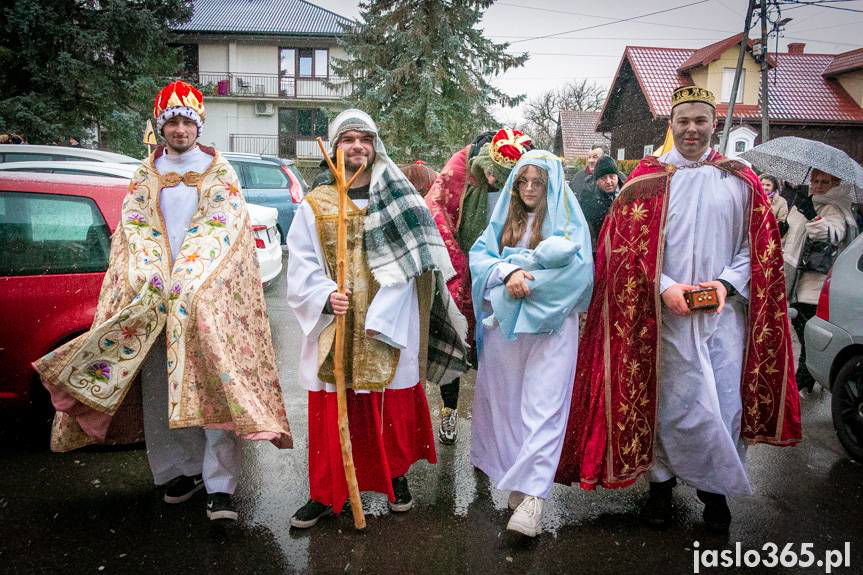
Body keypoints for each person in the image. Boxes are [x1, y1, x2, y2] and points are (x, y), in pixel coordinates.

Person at [33, 81, 292, 522]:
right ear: (161, 126)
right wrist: (150, 276)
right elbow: (133, 229)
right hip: (153, 303)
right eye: (170, 121)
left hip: (202, 304)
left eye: (186, 121)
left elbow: (222, 230)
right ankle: (179, 471)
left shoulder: (219, 172)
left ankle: (221, 485)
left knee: (212, 387)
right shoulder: (144, 174)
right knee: (160, 389)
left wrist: (190, 281)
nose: (178, 129)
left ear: (198, 125)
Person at [556, 86, 801, 532]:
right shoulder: (645, 181)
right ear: (671, 124)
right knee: (665, 406)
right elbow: (623, 252)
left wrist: (726, 284)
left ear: (714, 124)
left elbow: (759, 247)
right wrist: (664, 287)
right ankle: (659, 495)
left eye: (700, 121)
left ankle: (715, 499)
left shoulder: (739, 179)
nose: (691, 129)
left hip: (723, 320)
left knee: (720, 405)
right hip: (661, 320)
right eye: (683, 120)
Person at [286, 109, 469, 529]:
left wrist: (383, 313)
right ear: (334, 148)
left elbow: (414, 263)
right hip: (335, 320)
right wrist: (323, 295)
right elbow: (301, 262)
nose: (357, 146)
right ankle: (325, 491)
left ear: (375, 146)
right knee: (336, 406)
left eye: (364, 139)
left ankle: (394, 476)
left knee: (388, 402)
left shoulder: (402, 199)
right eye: (348, 139)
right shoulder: (316, 205)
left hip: (388, 319)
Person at [468, 150, 593, 537]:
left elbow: (581, 273)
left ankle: (535, 496)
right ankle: (519, 481)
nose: (529, 189)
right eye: (522, 181)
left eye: (538, 182)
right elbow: (480, 257)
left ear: (552, 183)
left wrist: (529, 286)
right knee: (507, 404)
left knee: (545, 405)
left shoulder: (569, 222)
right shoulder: (503, 218)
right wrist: (508, 272)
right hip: (507, 331)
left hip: (552, 330)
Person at [424, 129, 532, 445]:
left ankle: (489, 423)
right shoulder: (460, 166)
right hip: (461, 268)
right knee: (455, 342)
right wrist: (456, 267)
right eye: (488, 172)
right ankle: (448, 412)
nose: (491, 179)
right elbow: (437, 211)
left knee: (493, 352)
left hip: (501, 274)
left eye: (501, 178)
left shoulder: (524, 181)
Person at [783, 168, 858, 395]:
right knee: (804, 333)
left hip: (815, 284)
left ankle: (803, 380)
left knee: (809, 337)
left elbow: (831, 233)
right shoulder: (807, 203)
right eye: (815, 181)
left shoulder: (835, 208)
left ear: (835, 184)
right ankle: (808, 379)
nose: (818, 185)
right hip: (796, 280)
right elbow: (790, 236)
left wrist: (813, 217)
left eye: (825, 182)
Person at [578, 154, 623, 251]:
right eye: (603, 178)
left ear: (617, 176)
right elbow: (588, 232)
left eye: (612, 177)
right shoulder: (588, 199)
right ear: (597, 181)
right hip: (599, 248)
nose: (608, 181)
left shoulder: (626, 192)